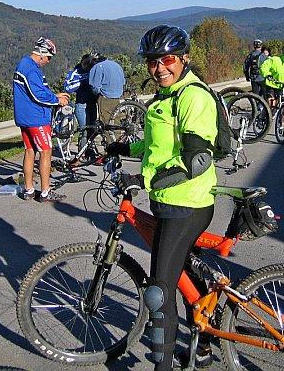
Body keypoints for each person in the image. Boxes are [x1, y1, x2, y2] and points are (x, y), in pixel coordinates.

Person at [108, 25, 217, 370]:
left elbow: (196, 159)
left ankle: (163, 366)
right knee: (185, 278)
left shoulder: (193, 97)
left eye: (167, 59)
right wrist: (125, 147)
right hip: (171, 202)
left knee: (159, 291)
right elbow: (160, 147)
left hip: (187, 204)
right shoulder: (166, 97)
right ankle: (204, 347)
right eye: (153, 62)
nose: (160, 68)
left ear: (184, 58)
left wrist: (144, 177)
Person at [13, 36, 69, 203]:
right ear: (42, 54)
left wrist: (53, 95)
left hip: (24, 117)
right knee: (46, 152)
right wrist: (57, 100)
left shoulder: (24, 63)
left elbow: (34, 91)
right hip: (36, 118)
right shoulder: (32, 70)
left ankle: (28, 190)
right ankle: (45, 191)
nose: (49, 61)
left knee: (30, 152)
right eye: (49, 58)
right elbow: (38, 95)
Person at [84, 52, 125, 125]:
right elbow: (123, 81)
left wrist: (96, 94)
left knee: (106, 122)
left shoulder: (97, 67)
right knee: (116, 120)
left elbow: (95, 87)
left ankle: (108, 136)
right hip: (117, 96)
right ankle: (117, 135)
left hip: (105, 97)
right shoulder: (116, 64)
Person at [63, 53, 97, 130]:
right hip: (81, 105)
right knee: (84, 130)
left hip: (92, 105)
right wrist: (82, 82)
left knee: (92, 131)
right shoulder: (75, 73)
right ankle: (82, 141)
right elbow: (67, 88)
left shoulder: (94, 71)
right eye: (85, 64)